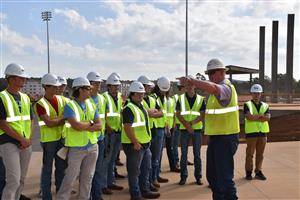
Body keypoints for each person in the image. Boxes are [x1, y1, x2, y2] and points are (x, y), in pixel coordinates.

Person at [178, 58, 240, 200]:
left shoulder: (226, 87)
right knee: (213, 177)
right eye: (209, 73)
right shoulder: (213, 94)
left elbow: (214, 88)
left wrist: (192, 81)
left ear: (222, 72)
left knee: (224, 179)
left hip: (226, 138)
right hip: (216, 138)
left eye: (213, 72)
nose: (210, 76)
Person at [56, 77, 100, 200]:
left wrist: (85, 125)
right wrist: (91, 124)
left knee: (88, 178)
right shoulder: (70, 106)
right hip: (76, 148)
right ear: (80, 90)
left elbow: (100, 125)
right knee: (70, 177)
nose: (90, 90)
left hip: (92, 146)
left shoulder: (91, 104)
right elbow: (76, 126)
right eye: (88, 88)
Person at [122, 81, 160, 200]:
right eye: (138, 94)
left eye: (142, 94)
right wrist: (135, 142)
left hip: (144, 144)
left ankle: (145, 190)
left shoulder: (141, 106)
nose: (141, 96)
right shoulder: (129, 108)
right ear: (132, 94)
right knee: (134, 171)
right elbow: (127, 127)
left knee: (145, 169)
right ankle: (135, 194)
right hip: (135, 145)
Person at [0, 63, 33, 200]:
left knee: (21, 180)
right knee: (13, 180)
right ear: (11, 79)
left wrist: (28, 139)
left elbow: (30, 120)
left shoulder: (25, 97)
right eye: (21, 77)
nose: (24, 80)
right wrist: (21, 139)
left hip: (25, 143)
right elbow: (2, 124)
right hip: (8, 142)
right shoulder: (2, 97)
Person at [35, 73, 67, 199]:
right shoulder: (40, 104)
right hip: (48, 141)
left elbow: (70, 112)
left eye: (57, 87)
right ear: (46, 87)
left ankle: (60, 195)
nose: (57, 89)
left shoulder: (61, 99)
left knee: (60, 169)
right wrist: (63, 118)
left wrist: (58, 120)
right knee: (47, 170)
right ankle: (46, 196)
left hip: (61, 139)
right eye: (54, 87)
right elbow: (48, 123)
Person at [176, 75, 205, 185]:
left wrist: (192, 124)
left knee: (197, 155)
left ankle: (198, 177)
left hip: (197, 130)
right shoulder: (181, 99)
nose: (189, 87)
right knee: (184, 154)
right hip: (184, 130)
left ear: (195, 86)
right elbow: (178, 114)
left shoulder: (201, 99)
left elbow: (202, 115)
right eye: (187, 85)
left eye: (191, 84)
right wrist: (187, 126)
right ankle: (183, 176)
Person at [137, 75, 163, 191]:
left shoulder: (152, 99)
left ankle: (151, 181)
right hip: (142, 134)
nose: (149, 88)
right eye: (147, 86)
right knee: (142, 163)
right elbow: (140, 112)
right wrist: (150, 113)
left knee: (154, 158)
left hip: (154, 131)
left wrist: (151, 113)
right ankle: (142, 184)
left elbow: (161, 112)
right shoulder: (137, 99)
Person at [102, 73, 124, 193]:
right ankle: (103, 185)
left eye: (117, 85)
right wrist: (107, 126)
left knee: (112, 159)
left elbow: (119, 113)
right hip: (108, 133)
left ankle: (111, 182)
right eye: (114, 86)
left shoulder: (119, 96)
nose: (116, 88)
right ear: (109, 86)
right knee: (106, 160)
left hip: (118, 131)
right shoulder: (104, 97)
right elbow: (102, 114)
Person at [87, 72, 107, 200]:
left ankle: (97, 195)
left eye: (99, 83)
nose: (98, 85)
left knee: (98, 170)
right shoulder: (84, 99)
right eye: (95, 83)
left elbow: (104, 117)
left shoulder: (102, 99)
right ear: (89, 85)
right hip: (88, 140)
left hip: (100, 138)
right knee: (88, 172)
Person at [244, 84, 270, 181]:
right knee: (250, 154)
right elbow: (248, 117)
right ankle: (248, 172)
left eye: (258, 93)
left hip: (263, 133)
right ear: (251, 93)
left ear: (261, 94)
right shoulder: (247, 105)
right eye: (254, 93)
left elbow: (267, 118)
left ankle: (258, 171)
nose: (256, 95)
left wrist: (255, 117)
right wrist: (260, 116)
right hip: (251, 133)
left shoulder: (265, 105)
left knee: (260, 154)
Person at [150, 77, 170, 187]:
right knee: (155, 156)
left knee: (159, 155)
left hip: (162, 128)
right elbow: (153, 113)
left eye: (166, 90)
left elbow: (164, 113)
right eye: (162, 89)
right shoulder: (153, 98)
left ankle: (156, 175)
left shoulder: (164, 98)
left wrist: (166, 125)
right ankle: (153, 179)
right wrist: (160, 113)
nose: (164, 91)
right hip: (156, 129)